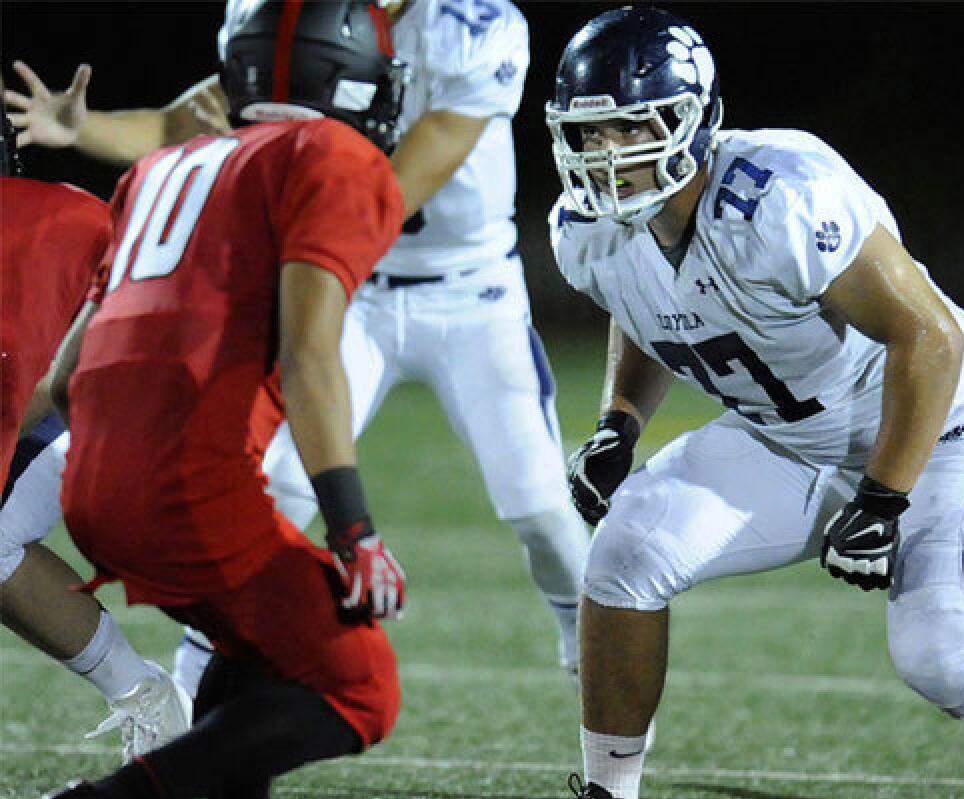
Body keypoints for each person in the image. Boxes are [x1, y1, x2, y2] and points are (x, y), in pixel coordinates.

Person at [491, 7, 964, 799]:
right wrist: (618, 423)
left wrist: (885, 498)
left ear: (694, 118)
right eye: (590, 129)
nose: (608, 150)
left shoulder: (779, 194)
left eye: (633, 124)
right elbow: (647, 307)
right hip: (790, 438)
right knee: (625, 555)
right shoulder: (586, 226)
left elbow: (929, 338)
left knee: (948, 657)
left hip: (948, 426)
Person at [6, 0, 590, 699]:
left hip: (468, 292)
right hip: (349, 290)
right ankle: (191, 697)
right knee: (266, 489)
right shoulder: (289, 15)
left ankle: (587, 634)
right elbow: (190, 122)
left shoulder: (472, 23)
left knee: (540, 507)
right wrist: (83, 128)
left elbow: (399, 181)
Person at [28, 4, 407, 799]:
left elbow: (62, 378)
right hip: (186, 489)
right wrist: (354, 528)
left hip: (91, 482)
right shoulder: (334, 156)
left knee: (259, 640)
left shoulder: (161, 166)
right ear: (351, 77)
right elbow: (313, 354)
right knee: (362, 686)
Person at [0, 94, 189, 762]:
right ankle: (145, 693)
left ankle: (204, 707)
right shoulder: (47, 213)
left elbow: (29, 385)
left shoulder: (27, 235)